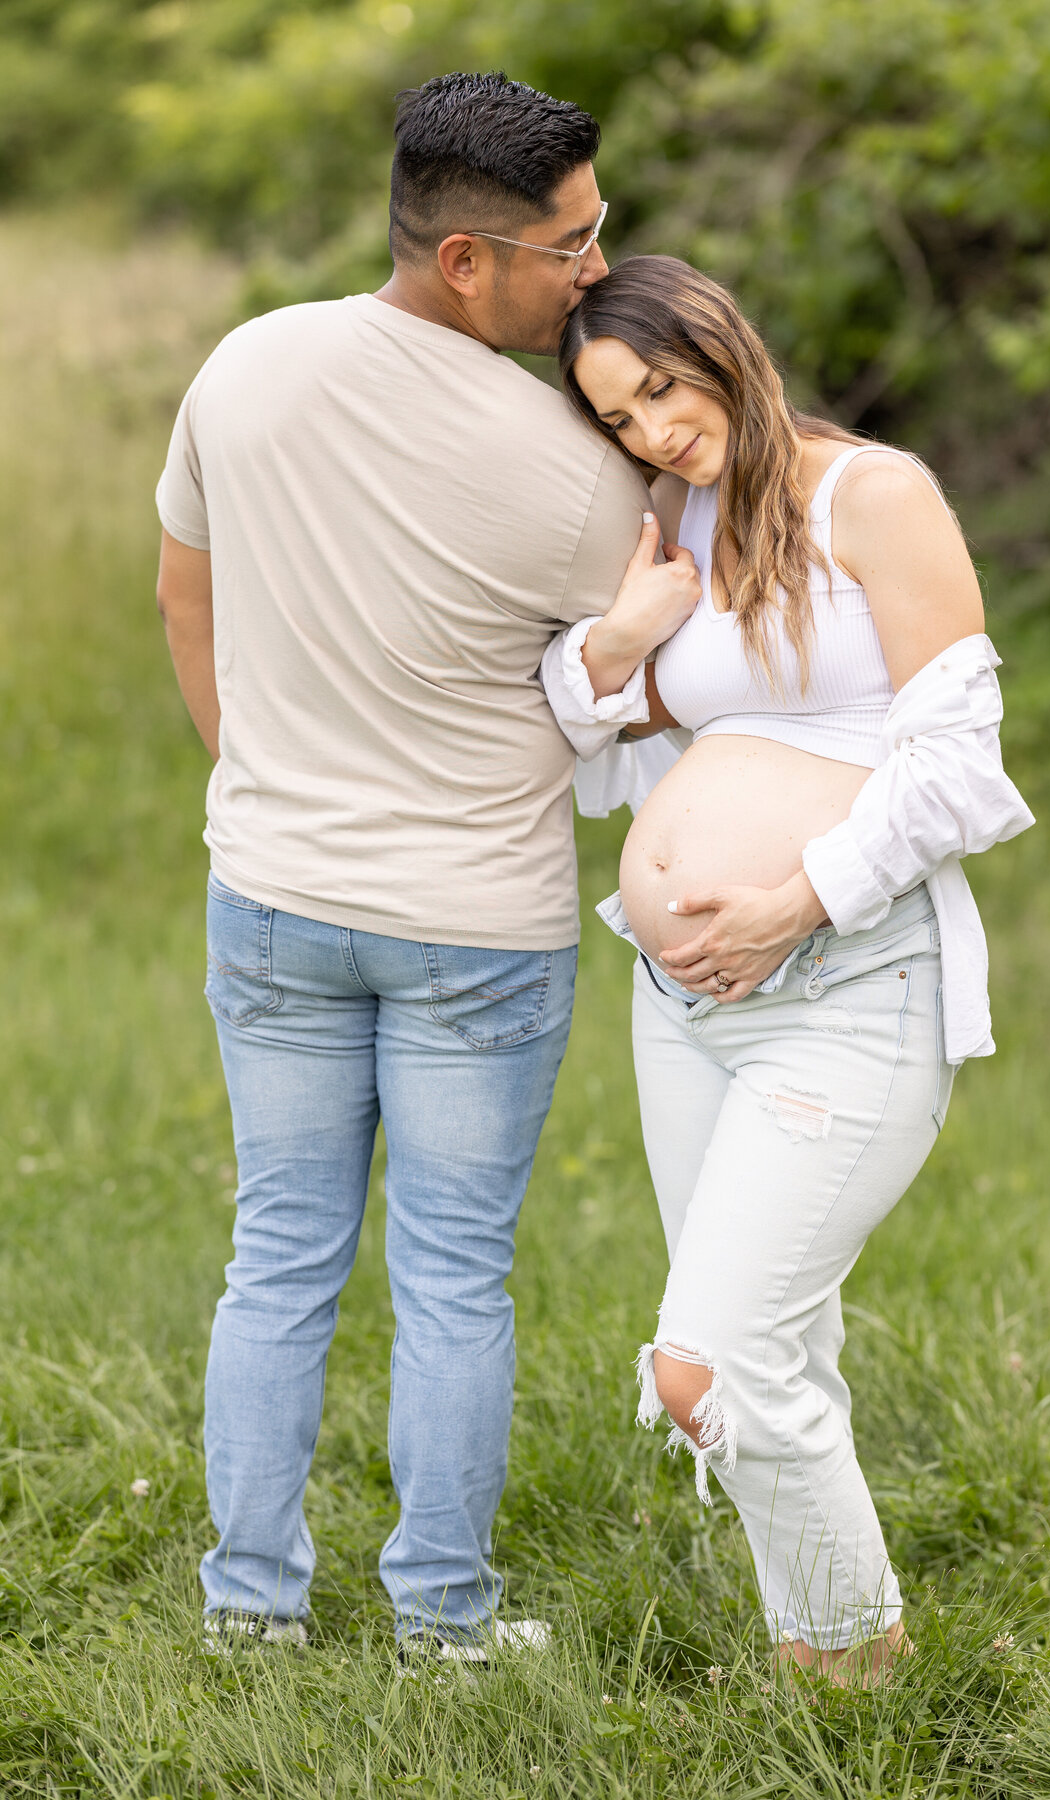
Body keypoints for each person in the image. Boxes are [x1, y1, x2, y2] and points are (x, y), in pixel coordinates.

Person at [153, 75, 701, 1661]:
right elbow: (640, 685)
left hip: (273, 894)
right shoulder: (581, 475)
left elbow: (186, 600)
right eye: (573, 241)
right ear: (469, 260)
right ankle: (443, 1627)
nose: (598, 266)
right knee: (456, 1279)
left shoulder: (245, 366)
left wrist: (258, 778)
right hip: (478, 928)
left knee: (280, 1258)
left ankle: (250, 1612)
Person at [540, 255, 1034, 1683]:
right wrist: (618, 646)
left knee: (711, 1365)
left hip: (851, 986)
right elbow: (584, 758)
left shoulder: (875, 496)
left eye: (660, 390)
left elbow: (959, 769)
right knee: (773, 1349)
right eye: (618, 418)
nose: (651, 431)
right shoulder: (668, 529)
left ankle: (850, 1660)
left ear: (719, 343)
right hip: (684, 1005)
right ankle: (830, 1659)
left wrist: (792, 905)